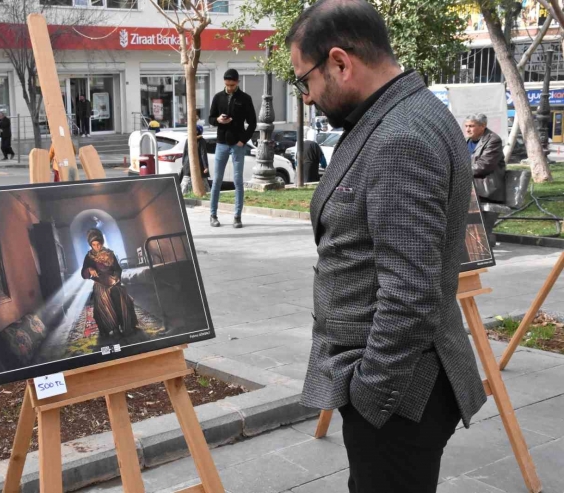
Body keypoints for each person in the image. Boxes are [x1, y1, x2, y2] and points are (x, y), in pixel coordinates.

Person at [286, 2, 487, 492]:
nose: (307, 98)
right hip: (404, 382)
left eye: (303, 80)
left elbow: (411, 294)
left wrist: (371, 392)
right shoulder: (409, 111)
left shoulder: (399, 134)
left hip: (400, 394)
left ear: (340, 62)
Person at [208, 68, 257, 228]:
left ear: (237, 82)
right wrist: (218, 120)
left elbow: (253, 123)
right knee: (217, 180)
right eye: (227, 85)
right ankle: (213, 215)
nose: (229, 87)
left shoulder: (245, 98)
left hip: (237, 144)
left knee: (238, 181)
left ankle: (237, 216)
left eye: (232, 84)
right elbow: (210, 118)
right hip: (221, 143)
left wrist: (243, 140)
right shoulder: (218, 97)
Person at [81, 229, 138, 339]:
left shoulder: (110, 254)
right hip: (99, 282)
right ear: (90, 245)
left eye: (98, 244)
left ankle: (126, 326)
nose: (97, 247)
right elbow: (83, 274)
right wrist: (89, 269)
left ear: (102, 242)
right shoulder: (88, 257)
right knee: (104, 296)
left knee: (120, 293)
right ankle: (114, 328)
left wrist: (116, 278)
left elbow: (118, 269)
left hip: (113, 281)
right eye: (94, 245)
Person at [465, 113, 506, 246]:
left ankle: (482, 244)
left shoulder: (493, 140)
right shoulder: (467, 141)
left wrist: (459, 173)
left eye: (471, 126)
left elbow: (483, 166)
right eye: (466, 126)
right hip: (471, 188)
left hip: (486, 190)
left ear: (483, 126)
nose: (467, 129)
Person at [179, 125, 211, 194]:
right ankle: (183, 195)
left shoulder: (200, 141)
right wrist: (205, 167)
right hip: (191, 165)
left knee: (201, 182)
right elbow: (185, 153)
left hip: (195, 165)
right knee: (187, 181)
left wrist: (205, 167)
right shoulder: (190, 140)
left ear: (197, 131)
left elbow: (203, 154)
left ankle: (206, 194)